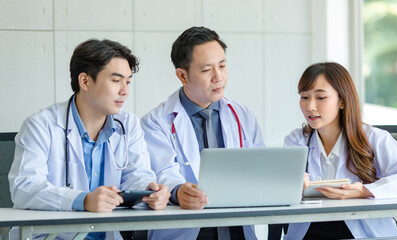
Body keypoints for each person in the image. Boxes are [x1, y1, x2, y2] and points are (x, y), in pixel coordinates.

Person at [8, 39, 170, 239]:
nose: (125, 91)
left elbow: (137, 175)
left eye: (128, 82)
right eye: (116, 80)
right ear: (84, 81)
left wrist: (150, 190)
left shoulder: (129, 125)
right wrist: (82, 200)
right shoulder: (41, 125)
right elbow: (24, 187)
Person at [141, 26, 264, 240]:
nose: (218, 77)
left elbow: (260, 166)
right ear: (182, 75)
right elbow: (162, 173)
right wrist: (179, 191)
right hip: (189, 230)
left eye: (223, 66)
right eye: (207, 70)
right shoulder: (155, 122)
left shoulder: (243, 115)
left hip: (238, 229)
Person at [283, 62, 397, 239]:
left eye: (321, 98)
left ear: (342, 101)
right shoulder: (296, 140)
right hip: (310, 232)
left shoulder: (374, 138)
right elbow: (280, 186)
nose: (310, 107)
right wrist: (294, 183)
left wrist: (367, 191)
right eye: (304, 97)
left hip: (364, 232)